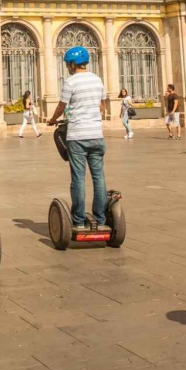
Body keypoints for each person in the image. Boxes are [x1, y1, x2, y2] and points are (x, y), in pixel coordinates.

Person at [47, 45, 108, 231]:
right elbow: (102, 106)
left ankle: (79, 220)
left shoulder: (71, 82)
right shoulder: (97, 80)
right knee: (99, 177)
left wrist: (53, 119)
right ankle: (101, 219)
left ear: (73, 64)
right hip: (97, 134)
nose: (67, 67)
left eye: (67, 64)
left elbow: (61, 106)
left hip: (78, 137)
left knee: (79, 178)